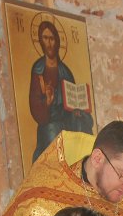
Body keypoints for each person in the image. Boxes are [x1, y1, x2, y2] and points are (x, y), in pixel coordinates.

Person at [30, 20, 94, 161]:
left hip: (67, 119)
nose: (49, 43)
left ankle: (83, 165)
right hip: (50, 120)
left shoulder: (65, 71)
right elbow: (35, 103)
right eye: (45, 38)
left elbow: (72, 98)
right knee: (54, 133)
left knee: (81, 124)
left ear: (57, 42)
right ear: (40, 41)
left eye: (52, 38)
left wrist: (76, 110)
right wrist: (47, 101)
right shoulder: (38, 70)